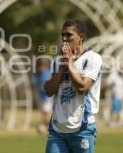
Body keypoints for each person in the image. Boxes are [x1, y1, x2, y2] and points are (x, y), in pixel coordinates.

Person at [44, 19, 103, 153]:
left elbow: (82, 87)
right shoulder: (57, 62)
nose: (64, 39)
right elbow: (48, 91)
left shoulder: (92, 58)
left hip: (82, 129)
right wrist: (62, 67)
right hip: (57, 130)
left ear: (81, 37)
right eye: (62, 35)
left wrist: (70, 64)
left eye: (69, 35)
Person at [31, 58, 53, 133]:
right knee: (44, 113)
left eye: (41, 67)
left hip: (48, 96)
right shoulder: (36, 74)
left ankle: (42, 127)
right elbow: (33, 84)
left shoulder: (47, 74)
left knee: (46, 113)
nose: (40, 68)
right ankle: (47, 127)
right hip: (41, 97)